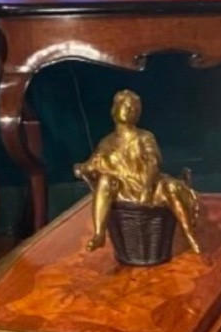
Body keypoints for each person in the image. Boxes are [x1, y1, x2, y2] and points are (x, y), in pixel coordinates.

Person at [75, 90, 200, 254]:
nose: (131, 110)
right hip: (123, 190)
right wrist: (80, 168)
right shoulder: (106, 142)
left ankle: (189, 234)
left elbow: (153, 162)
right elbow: (91, 165)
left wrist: (147, 188)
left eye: (135, 108)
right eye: (126, 106)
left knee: (172, 187)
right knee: (105, 180)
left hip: (147, 186)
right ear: (115, 109)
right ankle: (99, 234)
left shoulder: (144, 137)